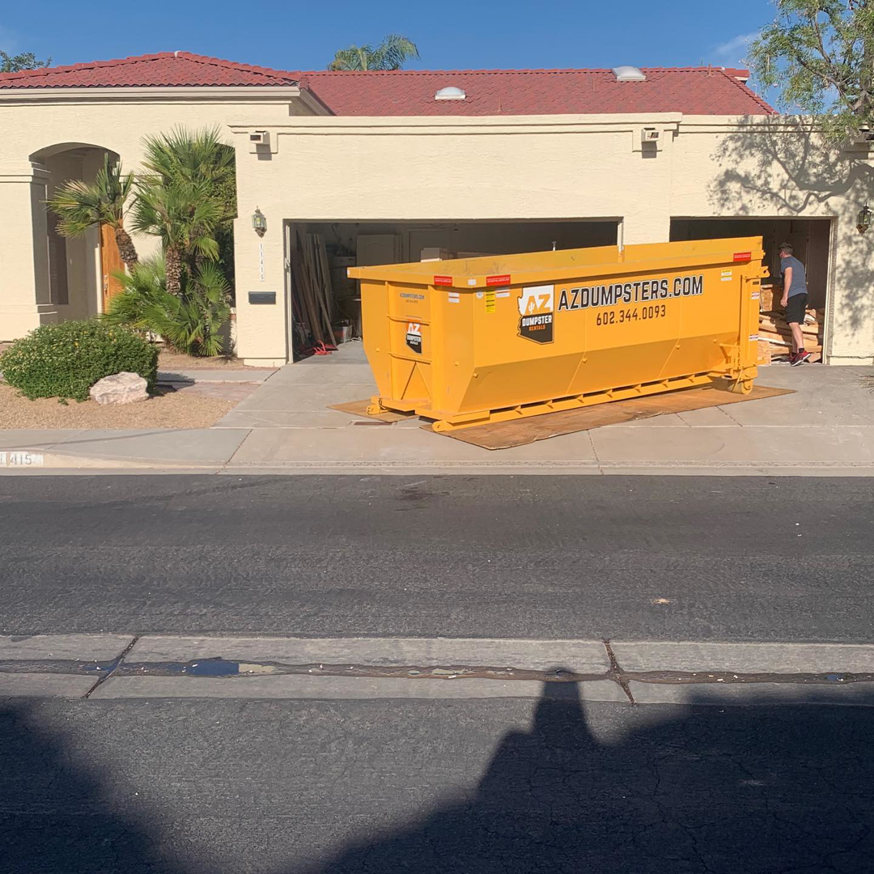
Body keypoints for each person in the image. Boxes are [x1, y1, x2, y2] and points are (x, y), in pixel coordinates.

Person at [779, 243, 810, 366]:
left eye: (779, 253)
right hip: (803, 294)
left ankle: (802, 351)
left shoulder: (786, 261)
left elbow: (788, 275)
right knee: (795, 324)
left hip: (794, 295)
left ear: (782, 252)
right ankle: (794, 353)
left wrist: (785, 295)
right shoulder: (799, 263)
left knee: (792, 323)